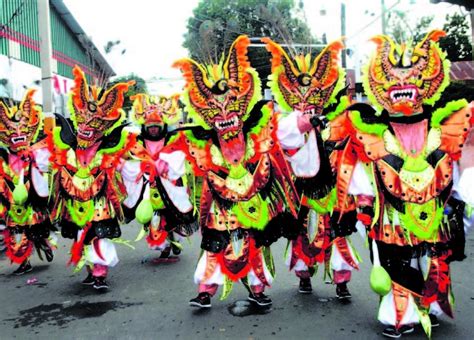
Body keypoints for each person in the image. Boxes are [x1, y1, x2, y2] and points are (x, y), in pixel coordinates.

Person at [339, 30, 474, 338]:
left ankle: (430, 307)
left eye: (411, 77)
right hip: (392, 214)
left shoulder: (443, 126)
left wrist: (457, 200)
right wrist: (363, 208)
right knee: (396, 261)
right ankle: (400, 316)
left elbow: (455, 164)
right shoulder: (369, 130)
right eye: (394, 79)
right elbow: (361, 174)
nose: (403, 84)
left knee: (431, 260)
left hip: (433, 210)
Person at [167, 35, 300, 308]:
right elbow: (175, 162)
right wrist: (164, 165)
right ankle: (206, 292)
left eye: (231, 104)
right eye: (215, 108)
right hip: (220, 209)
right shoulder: (199, 141)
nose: (225, 112)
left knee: (255, 248)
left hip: (253, 205)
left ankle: (258, 290)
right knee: (214, 249)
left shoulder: (260, 132)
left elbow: (288, 139)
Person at [264, 38, 360, 299]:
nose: (307, 104)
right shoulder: (287, 122)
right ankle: (304, 277)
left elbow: (352, 153)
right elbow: (287, 136)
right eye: (300, 101)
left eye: (313, 100)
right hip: (301, 192)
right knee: (302, 237)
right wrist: (305, 123)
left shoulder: (337, 121)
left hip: (333, 193)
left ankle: (342, 282)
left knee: (338, 236)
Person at [47, 66, 136, 290]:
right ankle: (91, 270)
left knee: (99, 237)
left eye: (94, 124)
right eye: (83, 122)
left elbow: (126, 169)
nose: (87, 128)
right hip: (75, 204)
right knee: (81, 238)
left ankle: (99, 273)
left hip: (100, 204)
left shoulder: (108, 151)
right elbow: (54, 167)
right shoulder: (67, 148)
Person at [124, 93, 196, 261]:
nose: (154, 128)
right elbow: (131, 160)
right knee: (152, 217)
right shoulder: (137, 142)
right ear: (144, 127)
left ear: (163, 125)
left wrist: (165, 164)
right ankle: (165, 246)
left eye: (157, 125)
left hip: (169, 184)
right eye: (150, 126)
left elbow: (180, 158)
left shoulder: (172, 139)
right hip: (148, 187)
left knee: (172, 216)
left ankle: (172, 242)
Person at [0, 90, 55, 274]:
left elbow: (50, 163)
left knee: (36, 230)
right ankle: (24, 262)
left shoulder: (37, 153)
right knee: (17, 234)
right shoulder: (3, 158)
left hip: (33, 201)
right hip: (12, 205)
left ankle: (43, 243)